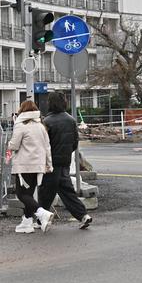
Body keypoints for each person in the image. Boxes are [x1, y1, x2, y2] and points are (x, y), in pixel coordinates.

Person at [39, 92, 93, 230]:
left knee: (46, 191)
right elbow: (75, 143)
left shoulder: (47, 121)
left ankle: (41, 219)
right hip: (65, 160)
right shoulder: (71, 120)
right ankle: (83, 215)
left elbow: (43, 144)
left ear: (50, 103)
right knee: (67, 191)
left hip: (50, 162)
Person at [8, 100, 55, 234]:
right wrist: (49, 165)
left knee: (21, 194)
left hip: (24, 165)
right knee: (29, 194)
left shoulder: (20, 125)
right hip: (38, 165)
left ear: (22, 110)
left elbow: (15, 145)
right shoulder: (41, 126)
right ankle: (27, 221)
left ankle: (41, 213)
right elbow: (47, 147)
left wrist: (9, 145)